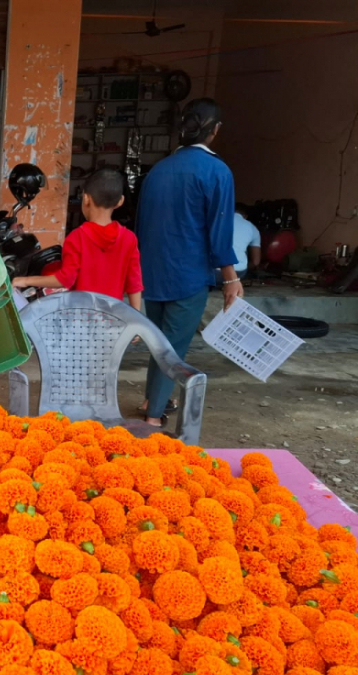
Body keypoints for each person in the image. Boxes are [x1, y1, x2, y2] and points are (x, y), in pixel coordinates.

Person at [136, 98, 242, 428]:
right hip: (188, 275)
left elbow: (141, 224)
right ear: (216, 131)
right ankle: (153, 418)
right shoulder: (217, 172)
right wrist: (230, 278)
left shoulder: (159, 170)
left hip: (151, 273)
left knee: (159, 343)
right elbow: (219, 230)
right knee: (174, 346)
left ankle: (154, 398)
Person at [12, 168, 142, 310]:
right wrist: (138, 321)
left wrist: (25, 280)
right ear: (120, 201)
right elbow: (134, 285)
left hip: (79, 322)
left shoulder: (77, 237)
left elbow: (65, 279)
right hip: (113, 319)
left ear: (86, 198)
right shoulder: (129, 239)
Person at [220, 202, 261, 284]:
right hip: (238, 273)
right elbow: (255, 262)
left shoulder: (217, 222)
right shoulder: (252, 228)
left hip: (213, 272)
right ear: (245, 216)